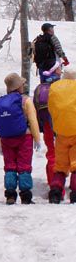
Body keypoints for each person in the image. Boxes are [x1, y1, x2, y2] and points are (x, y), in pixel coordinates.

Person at [0, 73, 41, 205]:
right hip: (24, 138)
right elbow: (32, 120)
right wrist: (37, 138)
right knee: (24, 166)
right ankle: (25, 196)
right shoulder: (25, 100)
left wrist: (0, 143)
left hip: (6, 139)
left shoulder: (2, 102)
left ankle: (10, 195)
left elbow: (0, 123)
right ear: (19, 87)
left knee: (9, 166)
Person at [47, 67, 76, 203]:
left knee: (60, 166)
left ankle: (55, 192)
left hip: (61, 132)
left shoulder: (55, 88)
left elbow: (51, 108)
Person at [34, 62, 62, 190]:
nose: (61, 71)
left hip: (46, 126)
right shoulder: (60, 86)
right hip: (61, 125)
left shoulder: (40, 88)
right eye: (59, 69)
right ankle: (61, 185)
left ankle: (52, 183)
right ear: (55, 71)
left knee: (51, 153)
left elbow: (35, 109)